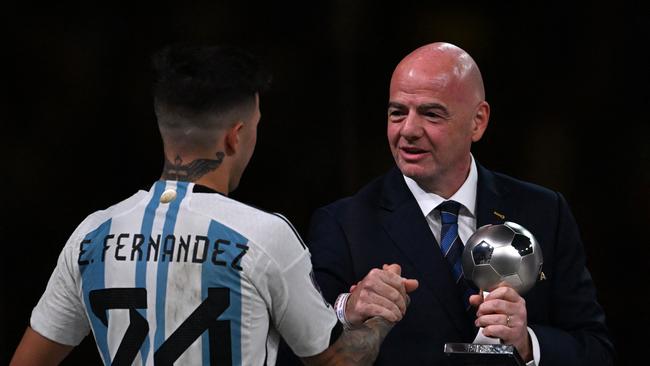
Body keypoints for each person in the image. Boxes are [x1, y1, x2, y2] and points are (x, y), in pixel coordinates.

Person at [9, 44, 418, 366]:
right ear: (235, 136)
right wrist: (381, 318)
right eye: (255, 127)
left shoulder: (92, 236)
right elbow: (338, 362)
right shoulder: (264, 236)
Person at [298, 42, 615, 365]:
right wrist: (348, 310)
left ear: (478, 121)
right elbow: (300, 352)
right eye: (397, 113)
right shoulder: (344, 223)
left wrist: (526, 342)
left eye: (431, 114)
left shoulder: (545, 212)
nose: (408, 130)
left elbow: (595, 350)